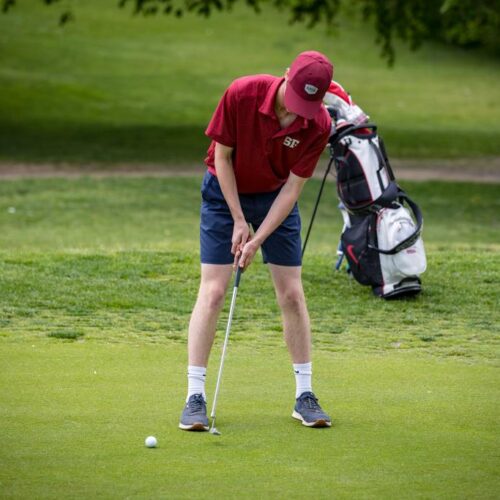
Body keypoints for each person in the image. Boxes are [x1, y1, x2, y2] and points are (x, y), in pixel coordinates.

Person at [179, 51, 334, 431]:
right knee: (213, 291)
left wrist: (257, 237)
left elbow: (292, 191)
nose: (299, 113)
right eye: (296, 102)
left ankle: (304, 395)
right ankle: (194, 396)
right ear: (285, 76)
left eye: (308, 107)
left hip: (275, 197)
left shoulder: (318, 124)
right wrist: (237, 220)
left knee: (292, 294)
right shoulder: (242, 94)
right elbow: (223, 158)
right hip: (223, 191)